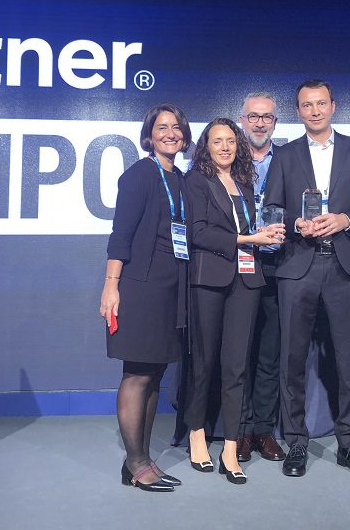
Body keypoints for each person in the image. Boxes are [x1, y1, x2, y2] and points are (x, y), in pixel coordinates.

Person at [264, 79, 350, 478]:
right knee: (292, 359)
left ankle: (349, 444)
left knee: (349, 359)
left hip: (344, 264)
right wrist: (294, 223)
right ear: (298, 111)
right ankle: (296, 442)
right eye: (306, 105)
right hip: (297, 266)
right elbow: (271, 207)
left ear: (333, 106)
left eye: (320, 103)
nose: (314, 111)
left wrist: (345, 219)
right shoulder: (285, 155)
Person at [183, 118, 285, 485]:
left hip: (246, 281)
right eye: (217, 141)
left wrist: (261, 235)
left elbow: (242, 229)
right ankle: (197, 433)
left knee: (236, 367)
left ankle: (230, 445)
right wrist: (248, 240)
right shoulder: (196, 181)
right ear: (206, 147)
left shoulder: (244, 182)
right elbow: (199, 234)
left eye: (230, 141)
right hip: (209, 280)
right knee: (204, 363)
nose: (225, 147)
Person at [100, 104, 192, 492]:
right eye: (161, 127)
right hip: (140, 287)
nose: (170, 133)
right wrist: (111, 285)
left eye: (176, 127)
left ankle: (141, 459)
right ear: (149, 135)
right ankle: (136, 462)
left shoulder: (182, 179)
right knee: (137, 375)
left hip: (171, 289)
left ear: (184, 135)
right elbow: (121, 235)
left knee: (155, 376)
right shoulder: (139, 175)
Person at [234, 92, 287, 463]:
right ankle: (238, 429)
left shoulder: (289, 159)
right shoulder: (226, 158)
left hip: (277, 265)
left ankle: (263, 430)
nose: (259, 123)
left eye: (266, 117)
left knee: (269, 354)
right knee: (239, 354)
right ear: (242, 120)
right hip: (237, 265)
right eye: (253, 116)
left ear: (275, 123)